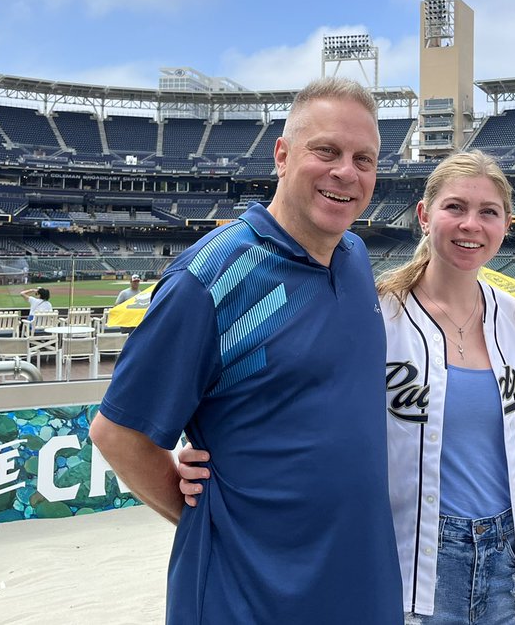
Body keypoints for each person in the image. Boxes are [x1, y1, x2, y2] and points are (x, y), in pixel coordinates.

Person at [183, 151, 515, 624]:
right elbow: (309, 403)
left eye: (489, 212)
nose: (470, 225)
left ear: (506, 224)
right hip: (412, 556)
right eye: (455, 207)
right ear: (424, 215)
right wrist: (217, 457)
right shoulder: (376, 312)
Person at [89, 78, 402, 624]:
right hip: (247, 598)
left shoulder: (354, 256)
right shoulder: (208, 279)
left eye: (364, 159)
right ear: (282, 155)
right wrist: (208, 519)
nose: (346, 172)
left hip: (361, 583)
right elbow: (117, 433)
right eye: (326, 151)